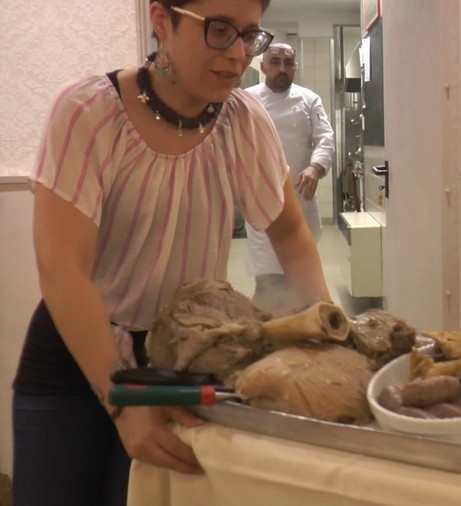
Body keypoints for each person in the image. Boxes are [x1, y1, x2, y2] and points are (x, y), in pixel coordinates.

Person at [11, 1, 332, 505]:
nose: (238, 54)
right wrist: (122, 398)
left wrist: (327, 334)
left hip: (184, 356)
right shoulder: (89, 112)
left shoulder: (243, 122)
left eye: (250, 35)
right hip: (77, 356)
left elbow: (290, 234)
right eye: (220, 30)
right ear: (162, 20)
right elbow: (62, 268)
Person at [243, 43, 335, 312]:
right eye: (275, 62)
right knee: (267, 283)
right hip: (262, 205)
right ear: (263, 66)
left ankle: (305, 328)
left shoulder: (309, 99)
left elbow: (325, 138)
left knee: (303, 281)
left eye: (288, 63)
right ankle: (269, 329)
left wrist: (315, 168)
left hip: (301, 203)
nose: (282, 69)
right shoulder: (246, 100)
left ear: (295, 67)